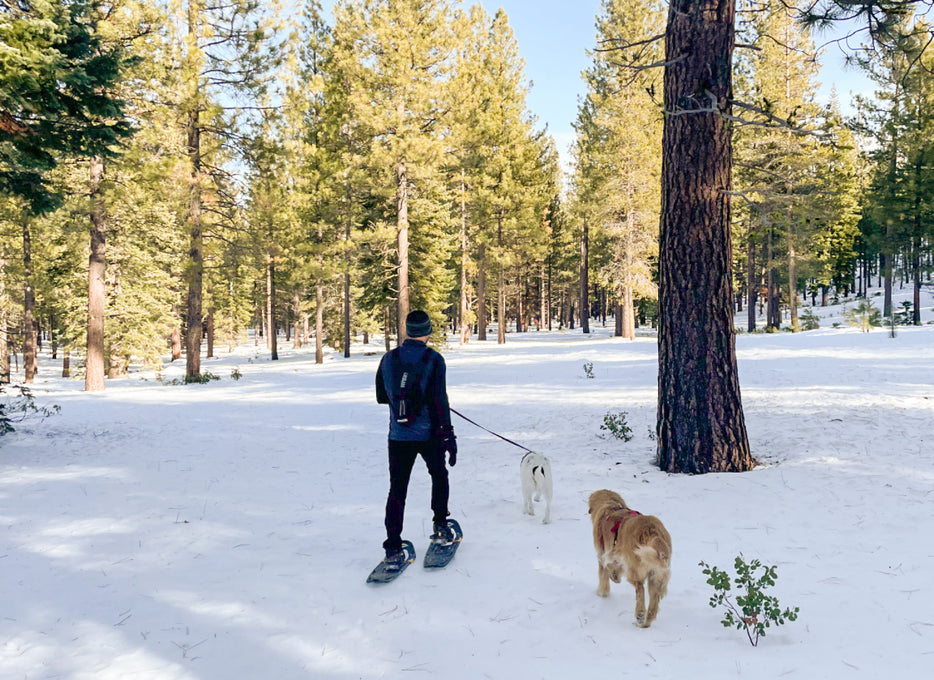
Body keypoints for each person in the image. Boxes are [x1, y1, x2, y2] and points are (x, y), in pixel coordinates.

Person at [376, 310, 457, 566]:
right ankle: (441, 526)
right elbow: (439, 402)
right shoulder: (434, 359)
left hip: (397, 436)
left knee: (397, 490)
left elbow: (381, 396)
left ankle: (392, 546)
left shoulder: (389, 359)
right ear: (428, 330)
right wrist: (448, 436)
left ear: (408, 330)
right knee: (439, 476)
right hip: (429, 434)